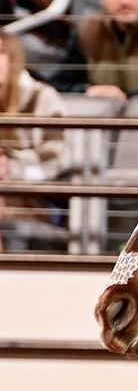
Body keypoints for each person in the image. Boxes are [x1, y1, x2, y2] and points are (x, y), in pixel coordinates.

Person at [0, 30, 68, 250]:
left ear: (13, 58)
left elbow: (58, 154)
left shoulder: (41, 96)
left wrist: (13, 167)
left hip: (37, 199)